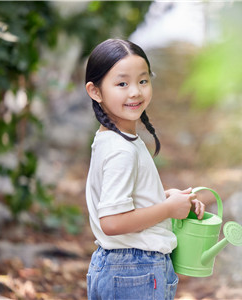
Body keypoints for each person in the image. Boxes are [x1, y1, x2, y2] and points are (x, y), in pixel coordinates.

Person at [84, 39, 205, 300]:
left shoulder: (112, 140)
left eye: (142, 80)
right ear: (95, 91)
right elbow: (113, 222)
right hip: (134, 270)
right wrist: (168, 210)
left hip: (124, 267)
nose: (135, 92)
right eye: (122, 83)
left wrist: (166, 197)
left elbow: (126, 200)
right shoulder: (121, 150)